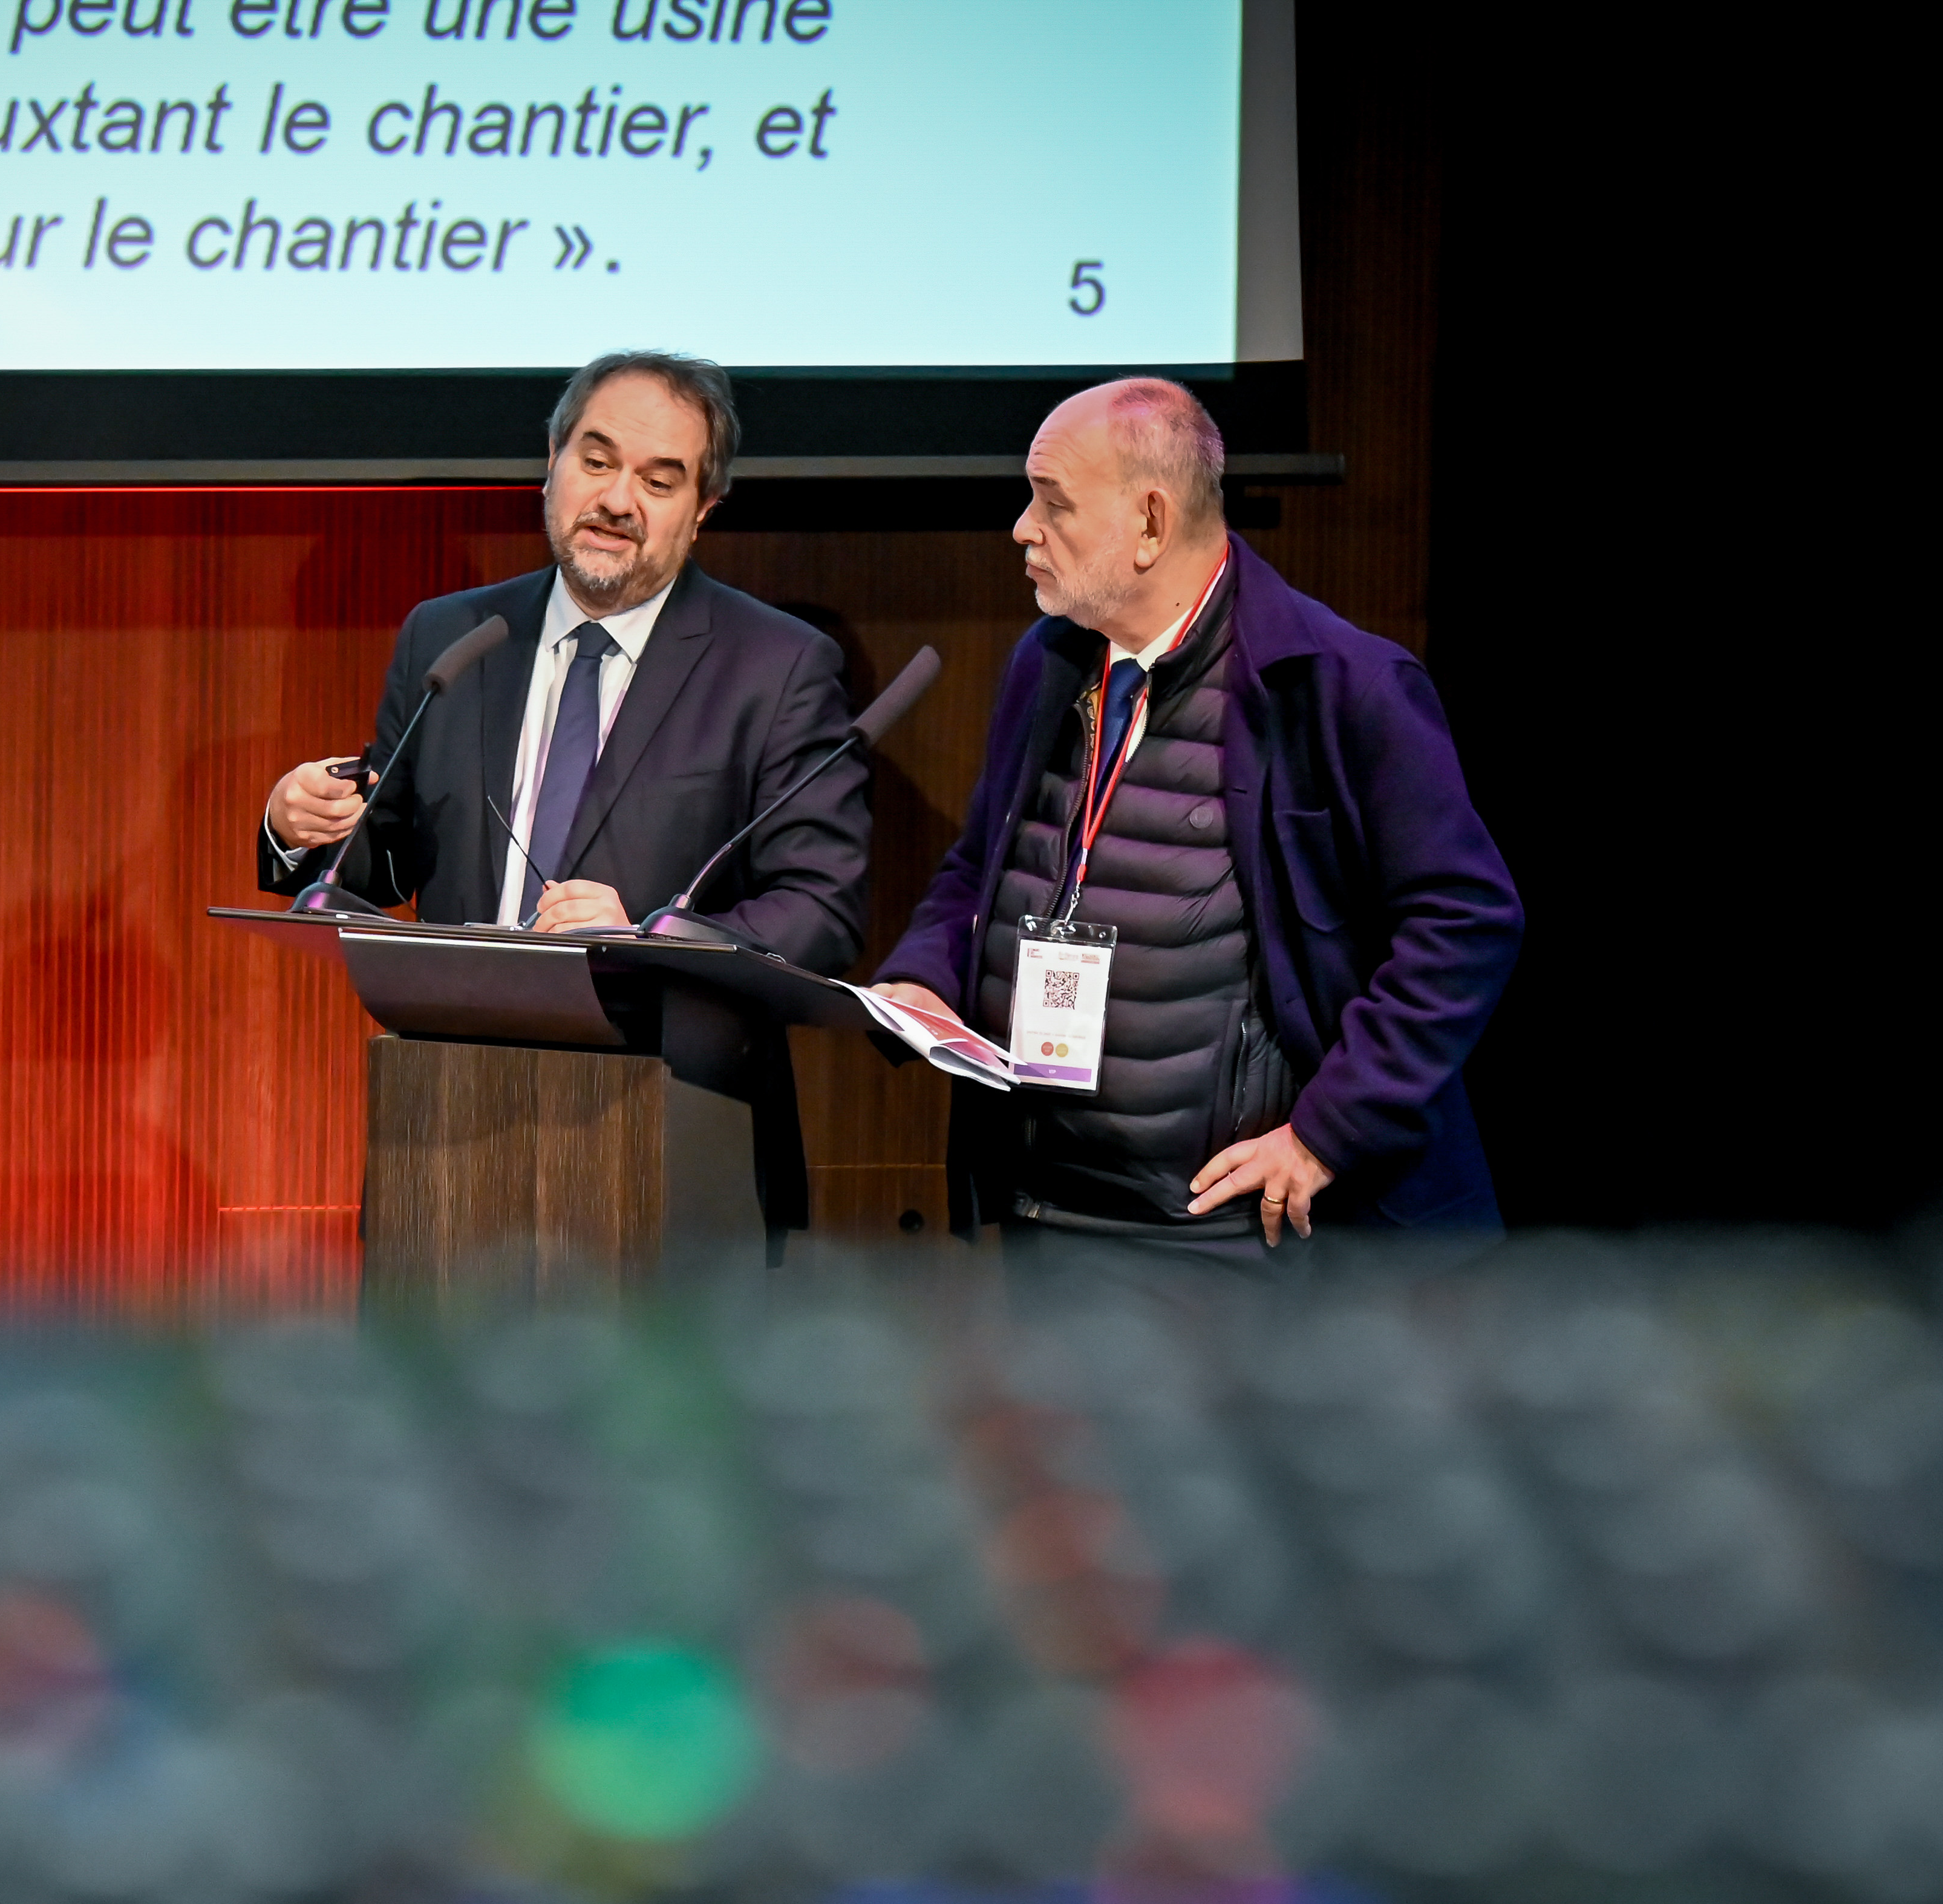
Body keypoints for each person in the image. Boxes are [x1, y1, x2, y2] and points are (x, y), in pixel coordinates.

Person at [871, 377, 1521, 1259]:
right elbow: (983, 863)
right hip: (1050, 1203)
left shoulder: (1339, 685)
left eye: (1053, 503)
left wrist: (1326, 1132)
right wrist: (926, 979)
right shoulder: (1050, 660)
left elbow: (1466, 924)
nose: (1023, 528)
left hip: (1233, 1233)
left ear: (1150, 522)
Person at [258, 351, 870, 973]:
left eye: (658, 484)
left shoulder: (777, 667)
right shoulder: (451, 636)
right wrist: (300, 826)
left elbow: (821, 910)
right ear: (553, 461)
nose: (617, 501)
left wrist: (650, 942)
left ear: (703, 509)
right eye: (596, 463)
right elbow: (388, 861)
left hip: (657, 1033)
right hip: (460, 1032)